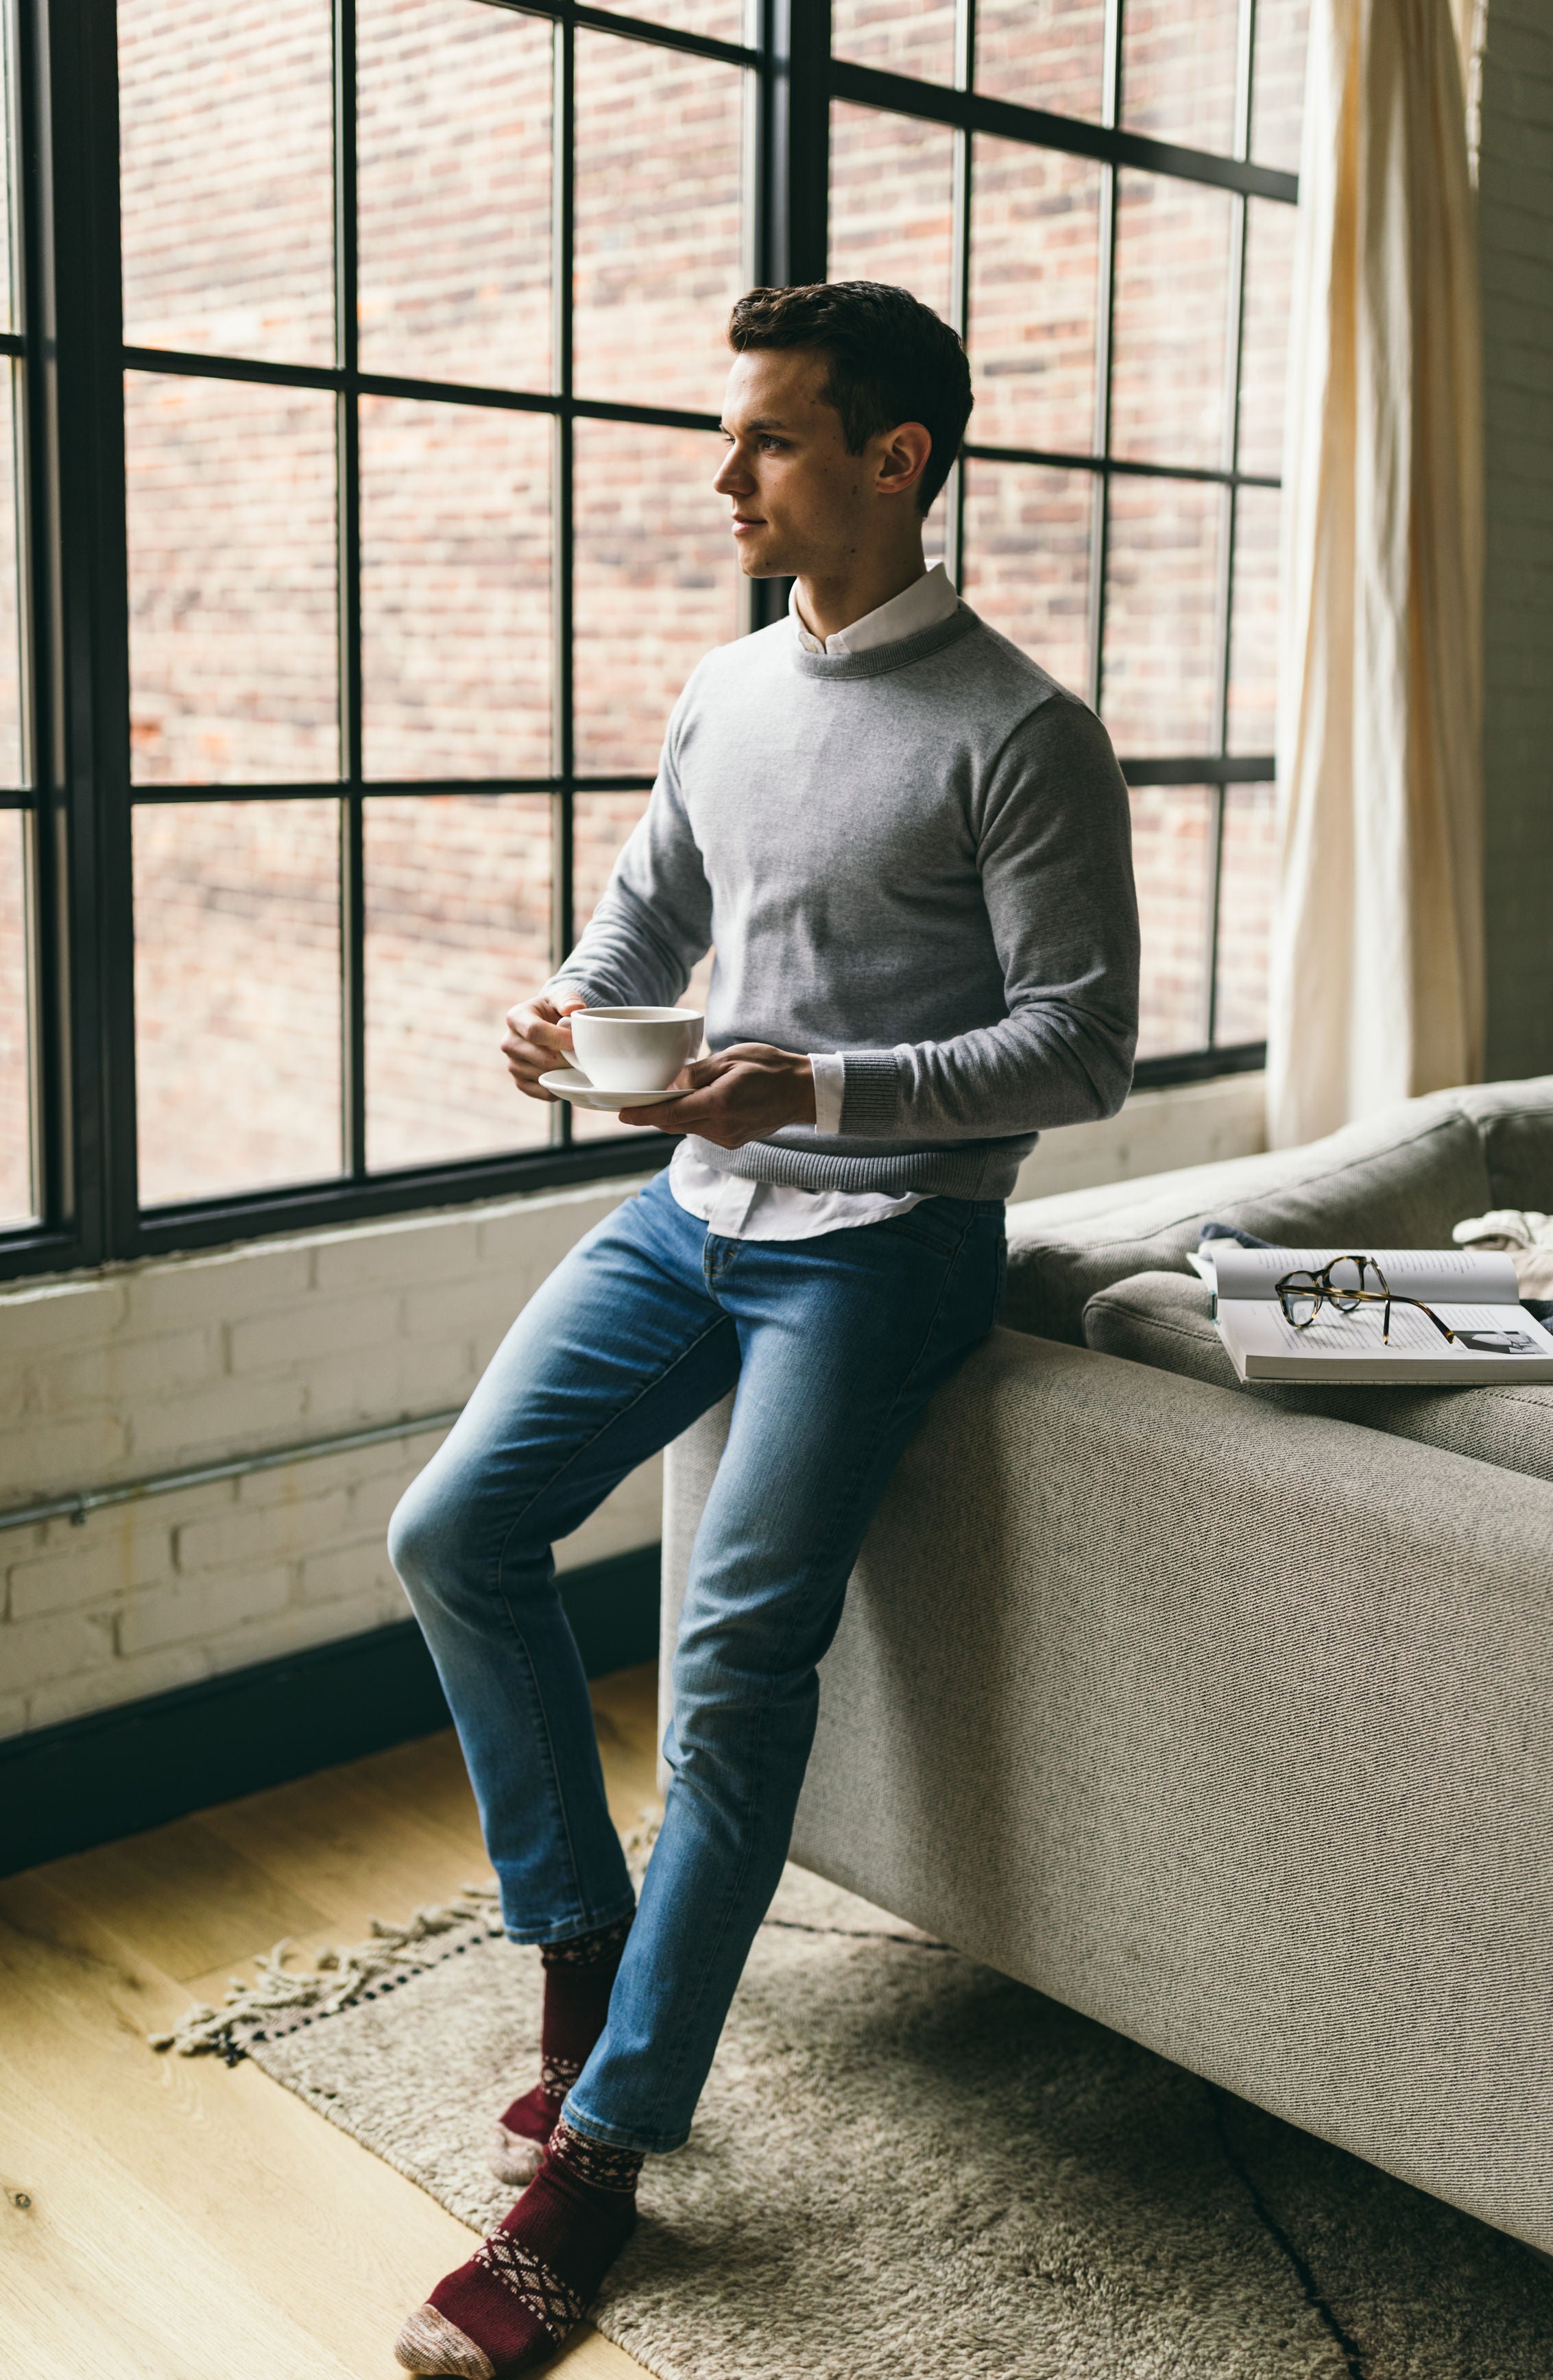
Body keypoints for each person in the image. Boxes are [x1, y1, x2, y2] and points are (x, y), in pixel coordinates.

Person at [389, 278, 1140, 2377]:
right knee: (452, 1533)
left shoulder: (1019, 728)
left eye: (773, 441)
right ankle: (585, 1940)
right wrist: (564, 1003)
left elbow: (1084, 1051)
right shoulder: (728, 693)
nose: (728, 475)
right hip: (690, 1210)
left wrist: (829, 1091)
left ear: (895, 463)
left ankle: (601, 2166)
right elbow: (651, 919)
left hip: (882, 1244)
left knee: (732, 1662)